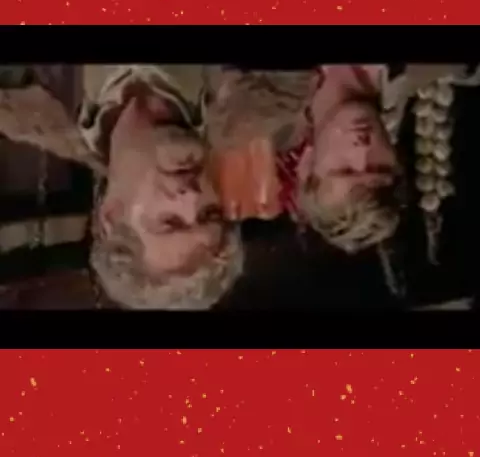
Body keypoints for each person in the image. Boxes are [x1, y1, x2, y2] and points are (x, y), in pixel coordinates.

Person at [0, 64, 244, 309]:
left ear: (111, 215)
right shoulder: (241, 86)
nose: (192, 197)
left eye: (170, 221)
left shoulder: (20, 97)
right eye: (209, 213)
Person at [209, 63, 478, 255]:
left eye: (344, 169)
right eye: (379, 167)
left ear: (307, 165)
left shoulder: (261, 97)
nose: (362, 149)